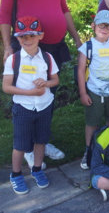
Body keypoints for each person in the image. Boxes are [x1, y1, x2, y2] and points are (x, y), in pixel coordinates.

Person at [0, 0, 81, 168]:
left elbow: (63, 9)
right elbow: (4, 13)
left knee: (47, 96)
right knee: (26, 100)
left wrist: (77, 39)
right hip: (28, 46)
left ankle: (41, 142)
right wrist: (7, 47)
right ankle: (25, 147)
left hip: (54, 47)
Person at [4, 16, 59, 195]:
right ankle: (16, 174)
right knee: (20, 144)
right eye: (22, 37)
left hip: (44, 106)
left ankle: (37, 169)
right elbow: (6, 86)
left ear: (40, 36)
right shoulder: (13, 60)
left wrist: (46, 83)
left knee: (41, 140)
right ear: (17, 38)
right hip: (23, 107)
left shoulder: (47, 57)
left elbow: (55, 79)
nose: (27, 40)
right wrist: (31, 93)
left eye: (32, 36)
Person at [78, 10, 109, 169]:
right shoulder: (88, 47)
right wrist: (83, 93)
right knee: (92, 122)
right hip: (95, 92)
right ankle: (89, 151)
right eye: (101, 25)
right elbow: (80, 71)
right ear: (94, 26)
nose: (104, 29)